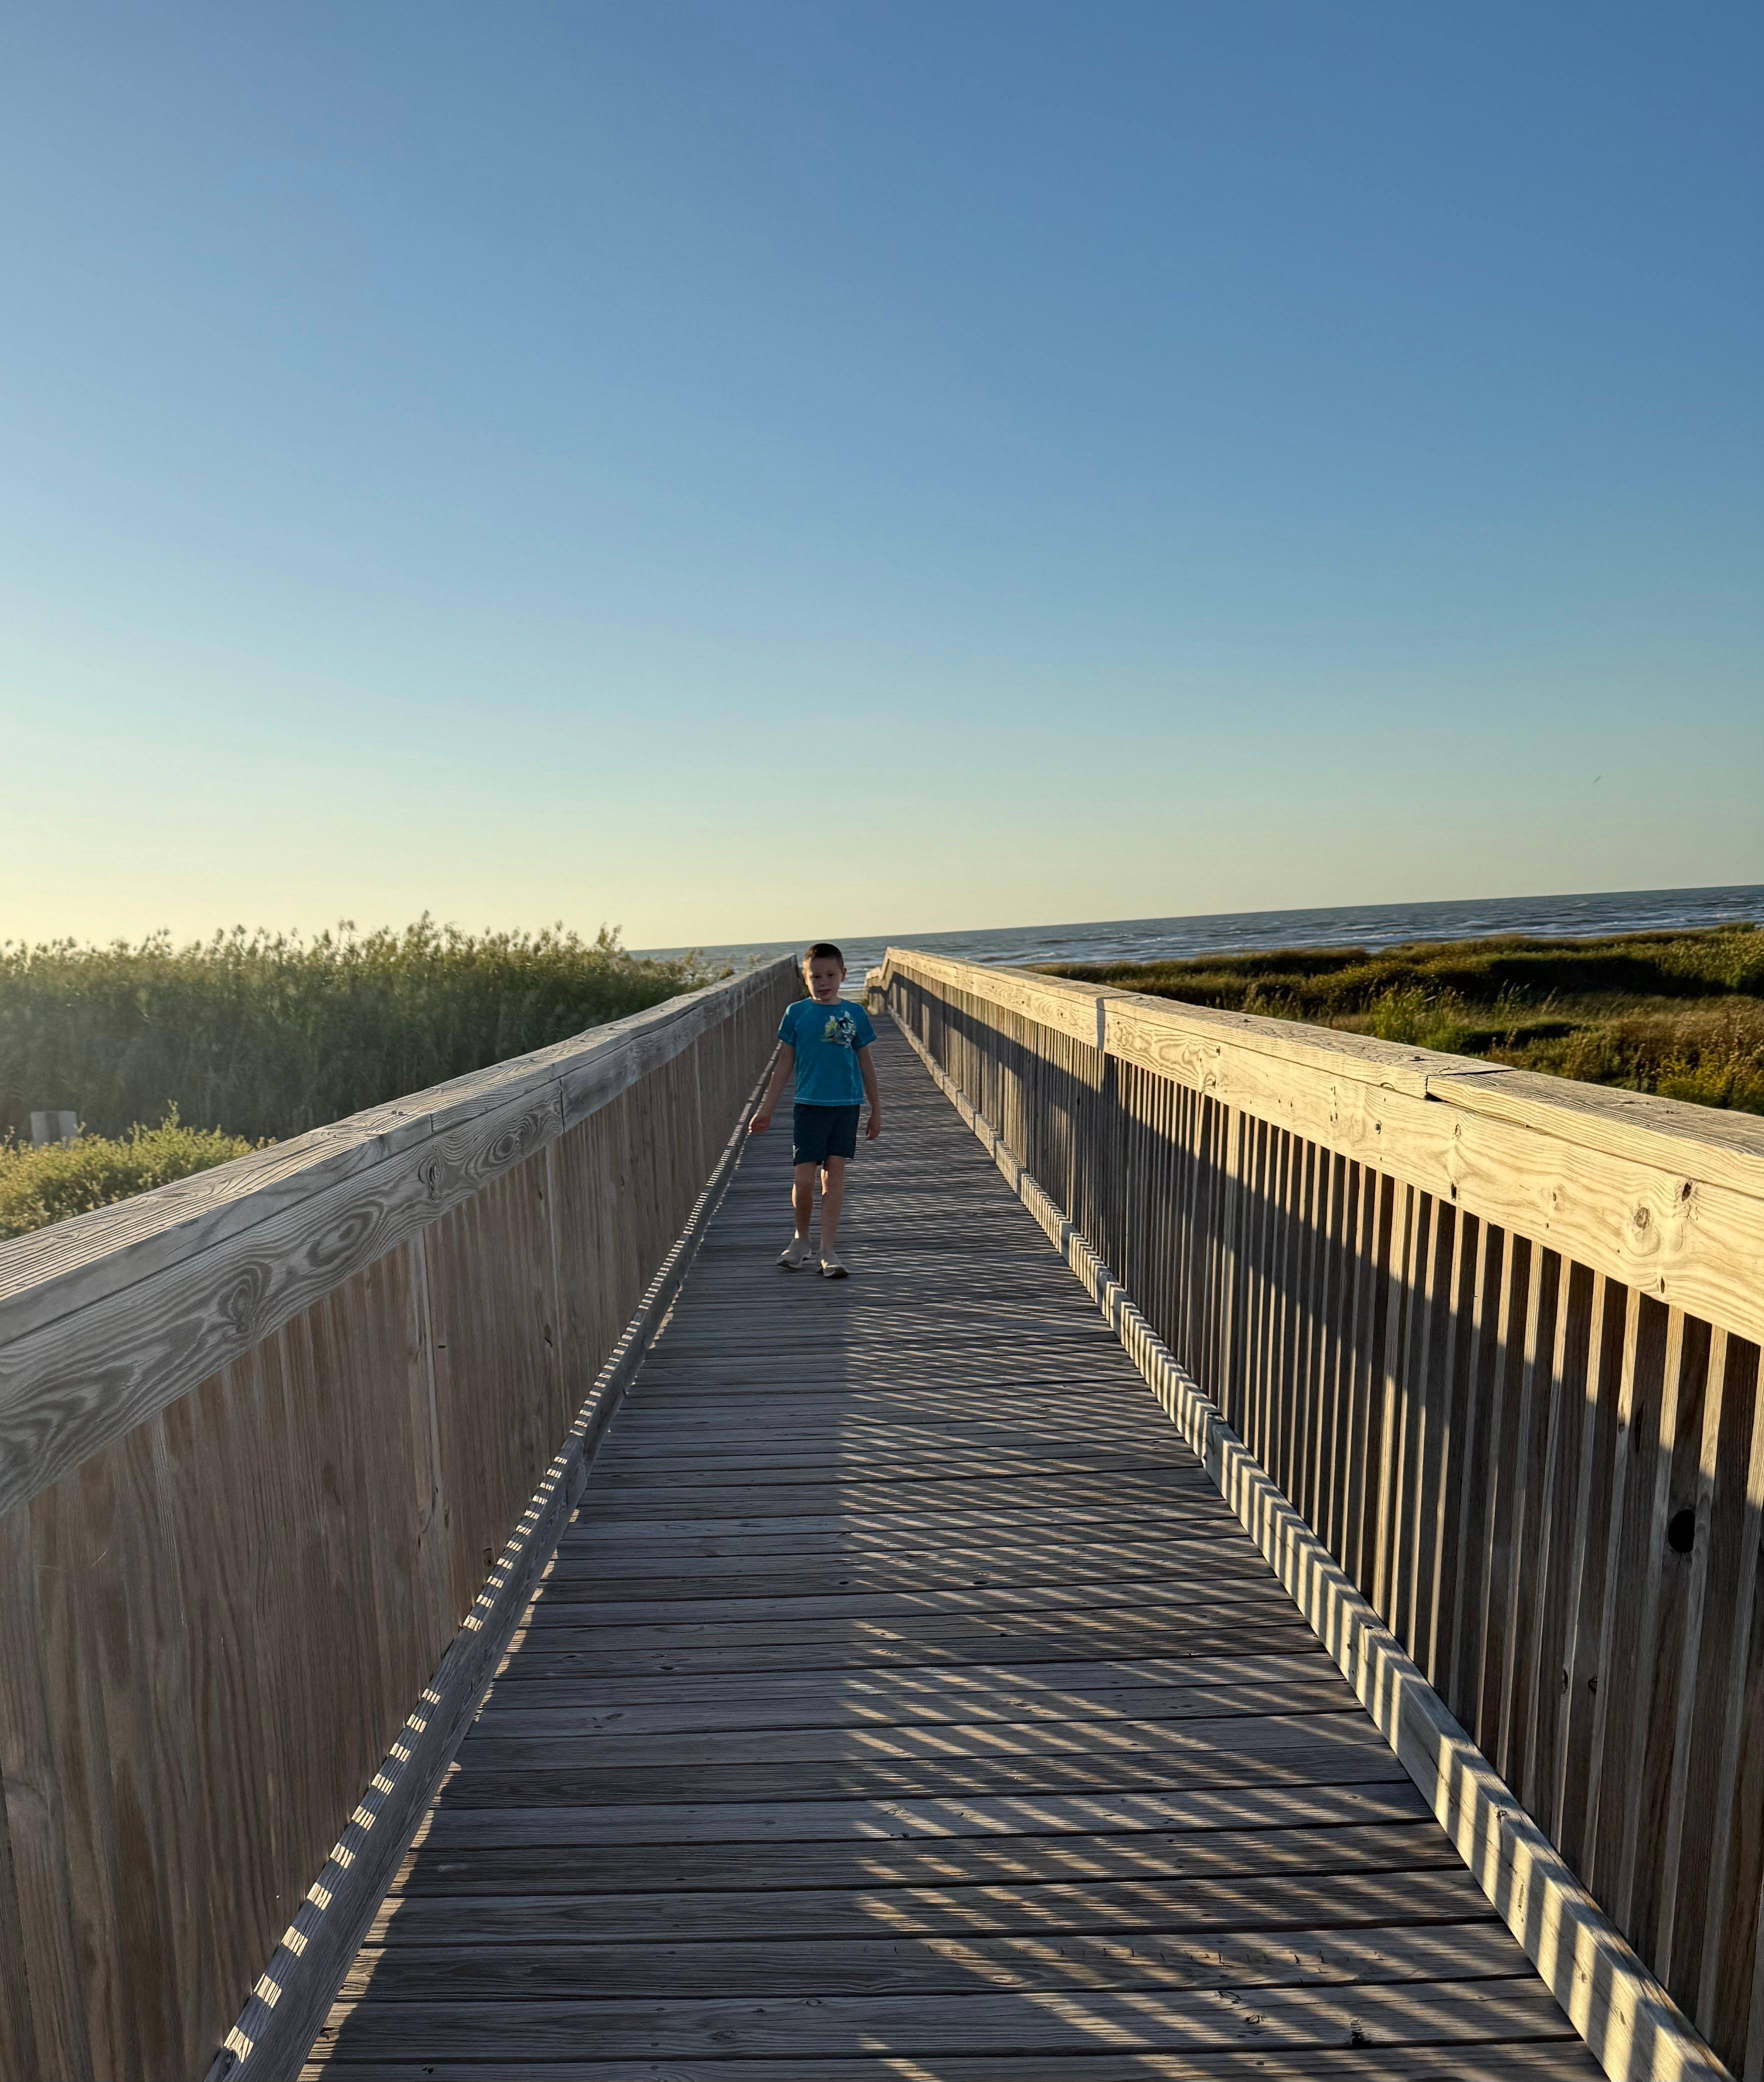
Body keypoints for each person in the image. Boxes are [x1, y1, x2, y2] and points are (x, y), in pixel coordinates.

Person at [748, 942, 881, 1277]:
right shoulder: (797, 1013)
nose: (824, 982)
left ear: (843, 975)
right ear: (804, 979)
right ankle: (801, 1239)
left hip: (846, 1105)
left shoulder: (854, 1013)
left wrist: (876, 1108)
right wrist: (766, 1109)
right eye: (815, 976)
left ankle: (827, 1249)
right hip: (809, 1105)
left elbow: (866, 1065)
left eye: (830, 975)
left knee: (833, 1178)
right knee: (803, 1179)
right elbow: (783, 1065)